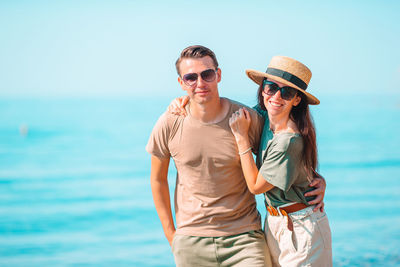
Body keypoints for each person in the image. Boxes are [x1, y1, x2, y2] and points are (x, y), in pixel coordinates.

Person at [146, 45, 326, 267]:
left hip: (246, 239)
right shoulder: (170, 122)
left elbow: (288, 149)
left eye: (207, 74)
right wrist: (171, 234)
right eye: (191, 77)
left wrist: (316, 179)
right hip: (191, 241)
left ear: (218, 75)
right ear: (181, 83)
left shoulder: (245, 120)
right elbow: (157, 179)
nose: (200, 83)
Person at [229, 56, 332, 266]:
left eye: (286, 92)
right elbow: (223, 111)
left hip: (302, 229)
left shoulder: (289, 139)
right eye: (271, 87)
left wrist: (241, 139)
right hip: (275, 223)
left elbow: (256, 186)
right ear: (263, 90)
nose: (276, 96)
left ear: (296, 100)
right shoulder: (265, 117)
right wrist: (184, 102)